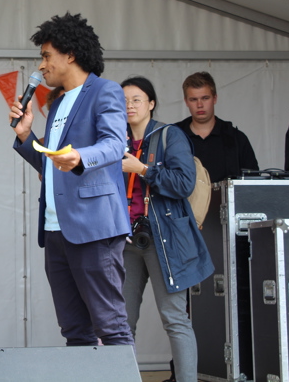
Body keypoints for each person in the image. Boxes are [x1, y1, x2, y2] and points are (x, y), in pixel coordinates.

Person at [9, 12, 134, 347]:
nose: (41, 66)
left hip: (94, 227)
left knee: (111, 327)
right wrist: (25, 136)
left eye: (46, 56)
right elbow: (52, 164)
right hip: (56, 230)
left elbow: (114, 145)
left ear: (71, 55)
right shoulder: (59, 103)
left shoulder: (105, 91)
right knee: (74, 331)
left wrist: (80, 156)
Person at [121, 76, 214, 382]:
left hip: (165, 239)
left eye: (136, 99)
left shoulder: (169, 135)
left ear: (151, 103)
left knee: (175, 319)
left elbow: (184, 183)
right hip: (126, 240)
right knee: (121, 323)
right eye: (123, 100)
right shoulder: (116, 138)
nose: (129, 105)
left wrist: (143, 170)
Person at [175, 72, 258, 182]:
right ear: (186, 101)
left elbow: (253, 183)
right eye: (193, 99)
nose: (199, 105)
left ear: (215, 98)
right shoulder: (173, 137)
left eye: (205, 98)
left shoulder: (236, 139)